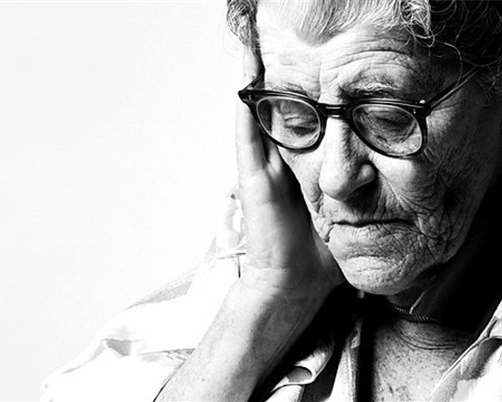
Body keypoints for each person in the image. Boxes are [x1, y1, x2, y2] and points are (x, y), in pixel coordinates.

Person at [41, 0, 502, 401]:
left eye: (387, 117)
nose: (336, 179)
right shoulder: (268, 255)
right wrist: (268, 298)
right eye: (298, 116)